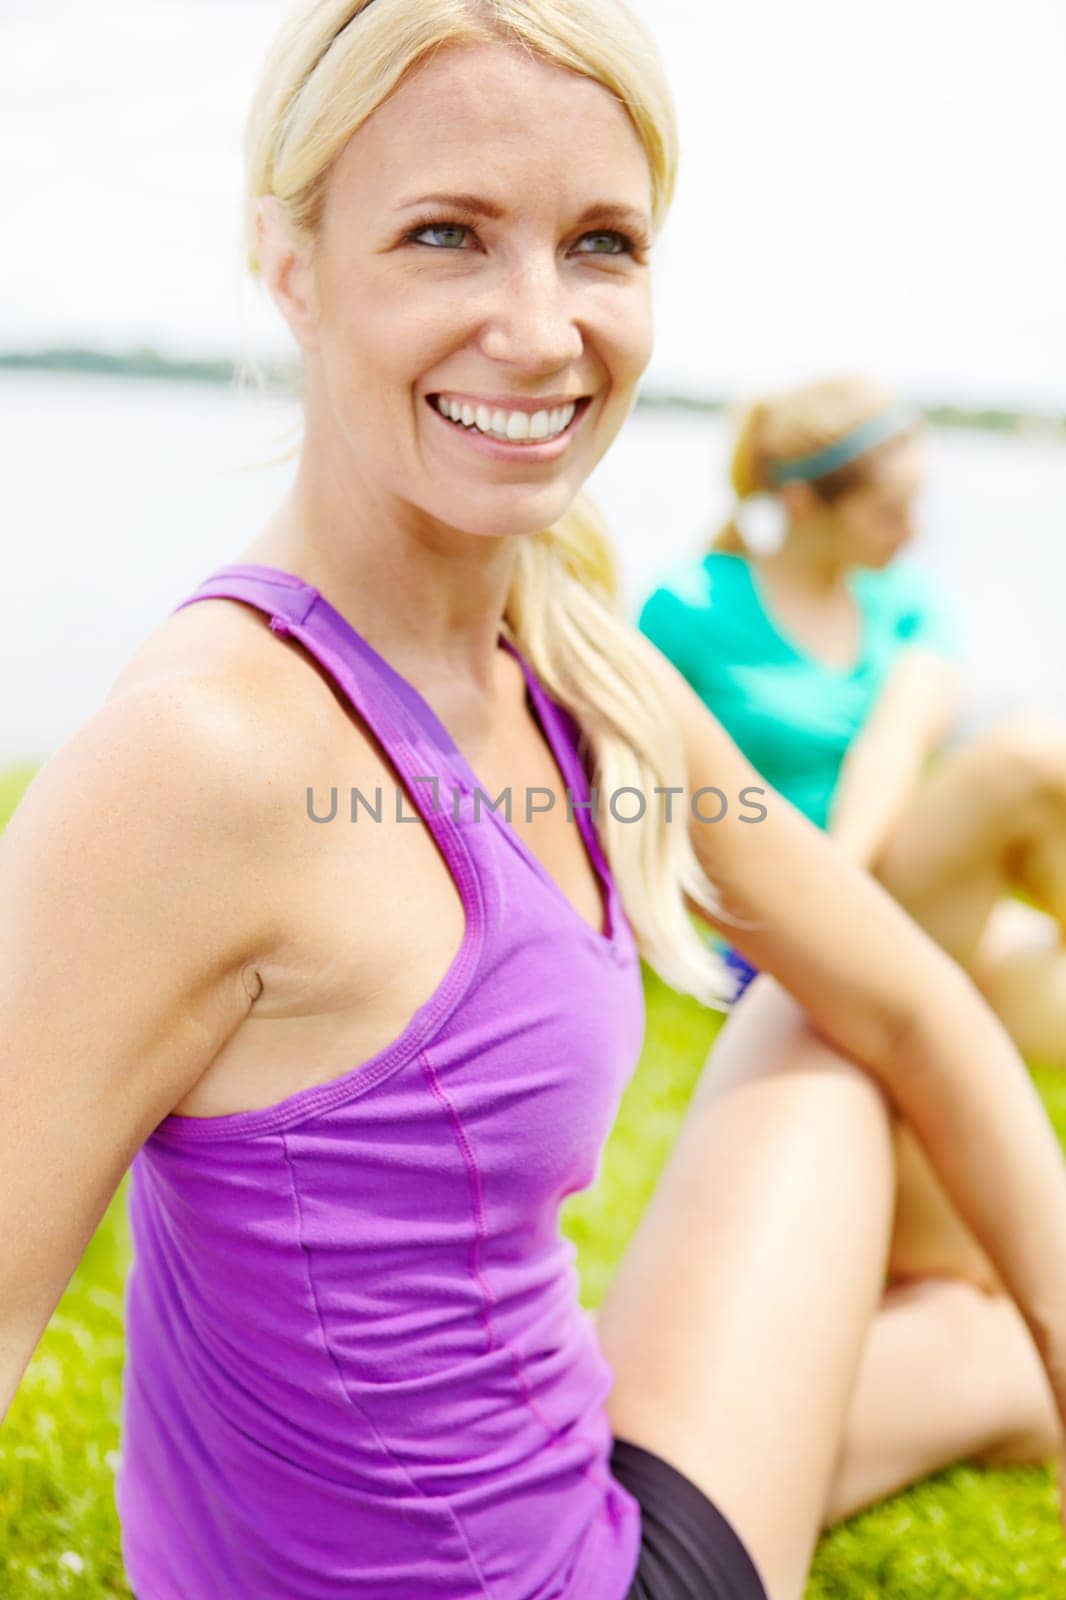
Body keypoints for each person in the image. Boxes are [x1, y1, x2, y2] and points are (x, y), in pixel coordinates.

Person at [3, 7, 1066, 1599]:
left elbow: (913, 1004)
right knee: (832, 1043)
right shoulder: (197, 759)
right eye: (447, 235)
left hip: (569, 1475)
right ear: (289, 268)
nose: (540, 327)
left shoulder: (577, 673)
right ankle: (969, 1349)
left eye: (597, 245)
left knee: (831, 1015)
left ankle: (984, 1352)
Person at [638, 374, 1066, 1081]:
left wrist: (843, 888)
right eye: (890, 513)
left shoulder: (906, 601)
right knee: (1030, 756)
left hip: (879, 883)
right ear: (805, 504)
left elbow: (894, 747)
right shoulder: (688, 606)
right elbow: (620, 774)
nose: (914, 531)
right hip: (780, 913)